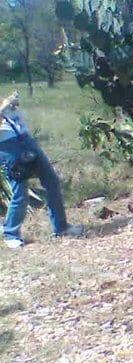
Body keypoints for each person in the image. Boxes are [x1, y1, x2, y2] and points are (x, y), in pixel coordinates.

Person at [0, 91, 83, 249]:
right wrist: (4, 107)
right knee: (20, 193)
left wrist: (12, 106)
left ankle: (61, 227)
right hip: (8, 148)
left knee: (52, 182)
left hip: (26, 140)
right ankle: (11, 233)